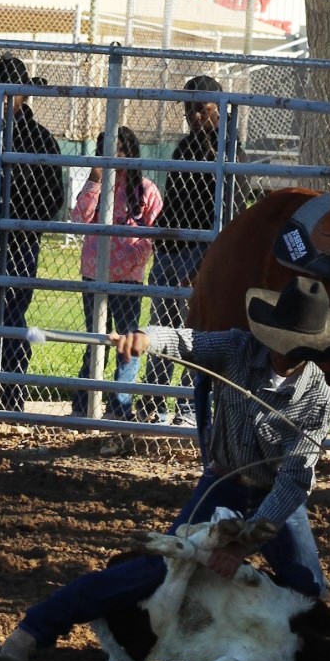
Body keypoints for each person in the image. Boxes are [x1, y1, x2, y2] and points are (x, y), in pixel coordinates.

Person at [0, 276, 330, 661]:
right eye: (280, 342)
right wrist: (145, 338)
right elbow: (186, 342)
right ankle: (37, 626)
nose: (283, 353)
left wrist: (244, 541)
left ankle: (248, 644)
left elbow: (293, 482)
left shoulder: (318, 399)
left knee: (305, 589)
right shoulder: (238, 348)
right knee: (156, 568)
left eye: (295, 348)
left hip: (274, 498)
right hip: (222, 484)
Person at [138, 75, 245, 428]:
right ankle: (152, 403)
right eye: (189, 109)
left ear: (219, 109)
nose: (194, 116)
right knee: (160, 327)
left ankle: (188, 408)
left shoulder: (230, 151)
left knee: (195, 333)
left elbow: (234, 212)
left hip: (203, 251)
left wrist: (209, 263)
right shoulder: (184, 148)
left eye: (202, 109)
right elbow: (174, 199)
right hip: (171, 249)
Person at [0, 53, 64, 410]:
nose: (6, 99)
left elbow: (53, 194)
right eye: (0, 91)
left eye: (13, 91)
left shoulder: (40, 138)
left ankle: (9, 394)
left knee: (10, 315)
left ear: (25, 94)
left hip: (19, 243)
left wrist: (22, 222)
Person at [70, 126, 163, 420]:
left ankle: (119, 407)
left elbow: (154, 233)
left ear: (131, 152)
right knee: (96, 342)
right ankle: (84, 404)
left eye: (120, 149)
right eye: (106, 150)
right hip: (94, 273)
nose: (113, 156)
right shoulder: (96, 186)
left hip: (128, 277)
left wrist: (130, 259)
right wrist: (95, 180)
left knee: (127, 342)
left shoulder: (145, 189)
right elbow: (79, 219)